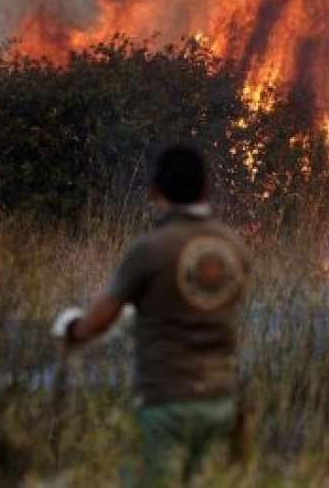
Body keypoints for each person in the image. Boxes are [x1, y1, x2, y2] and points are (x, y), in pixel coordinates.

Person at [52, 144, 251, 487]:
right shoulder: (233, 246)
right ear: (206, 187)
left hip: (167, 403)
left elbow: (100, 318)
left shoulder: (151, 249)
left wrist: (72, 330)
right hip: (223, 402)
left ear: (154, 190)